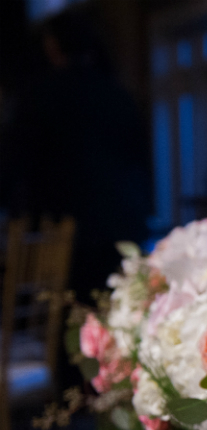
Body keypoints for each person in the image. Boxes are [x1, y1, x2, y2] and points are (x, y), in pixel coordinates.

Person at [0, 8, 151, 304]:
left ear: (52, 45)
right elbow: (140, 164)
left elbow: (13, 163)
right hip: (122, 228)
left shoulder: (41, 93)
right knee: (115, 316)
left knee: (65, 325)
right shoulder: (118, 94)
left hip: (64, 235)